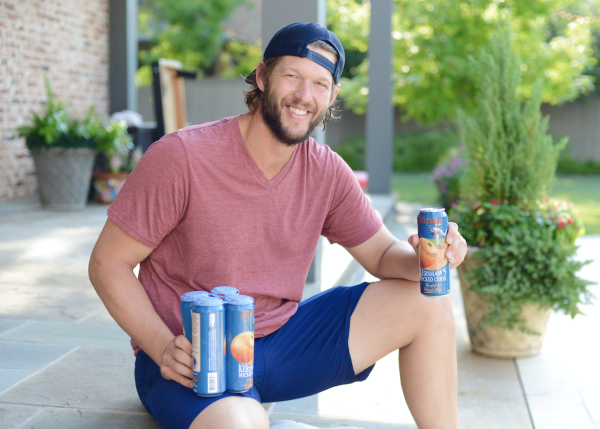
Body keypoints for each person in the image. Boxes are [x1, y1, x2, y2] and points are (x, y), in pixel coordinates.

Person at [89, 22, 466, 429]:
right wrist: (161, 347)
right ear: (263, 76)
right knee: (241, 422)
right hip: (194, 358)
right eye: (292, 76)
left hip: (281, 345)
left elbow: (380, 254)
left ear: (333, 95)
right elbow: (107, 264)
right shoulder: (182, 157)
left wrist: (429, 260)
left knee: (429, 302)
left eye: (320, 84)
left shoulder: (327, 171)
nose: (305, 96)